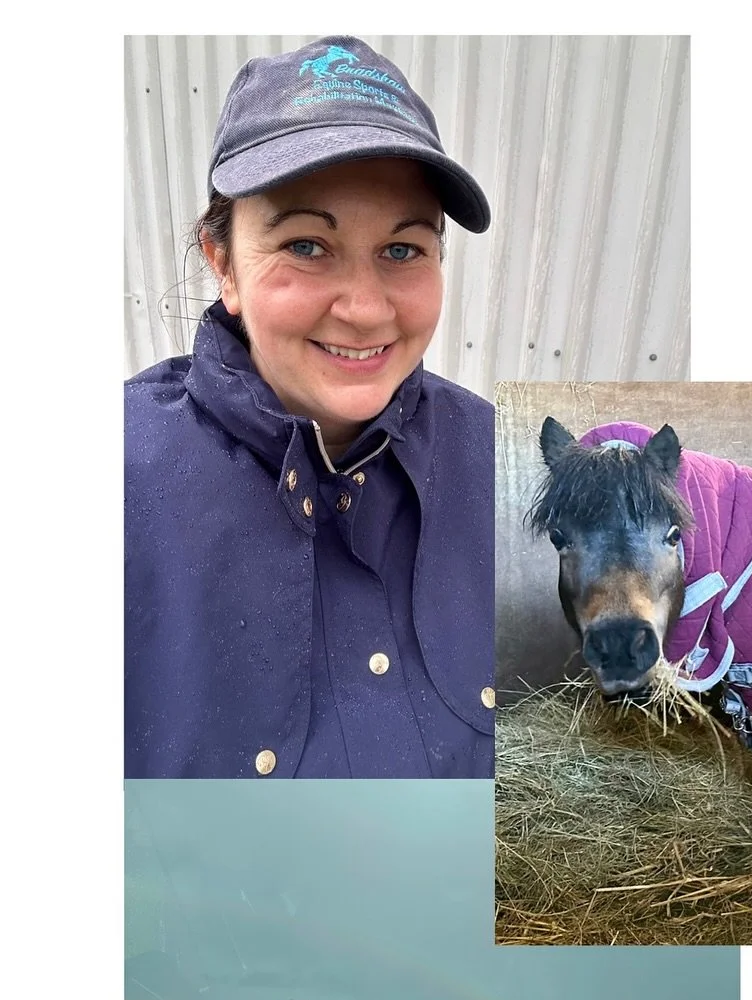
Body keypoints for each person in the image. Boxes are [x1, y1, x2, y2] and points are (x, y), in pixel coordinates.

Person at [126, 36, 496, 778]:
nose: (365, 310)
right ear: (224, 265)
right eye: (306, 245)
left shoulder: (498, 461)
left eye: (402, 250)